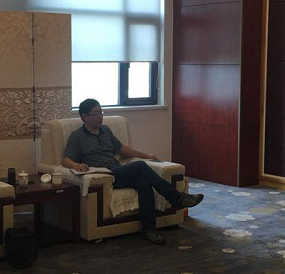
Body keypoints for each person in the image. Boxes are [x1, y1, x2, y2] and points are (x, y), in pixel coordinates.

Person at [61, 98, 204, 245]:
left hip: (117, 171)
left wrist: (146, 155)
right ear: (84, 117)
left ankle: (149, 230)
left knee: (143, 184)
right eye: (96, 113)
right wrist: (76, 165)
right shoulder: (77, 136)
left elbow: (122, 149)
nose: (100, 116)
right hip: (103, 175)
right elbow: (65, 159)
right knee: (140, 166)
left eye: (101, 112)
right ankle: (176, 197)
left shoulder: (106, 131)